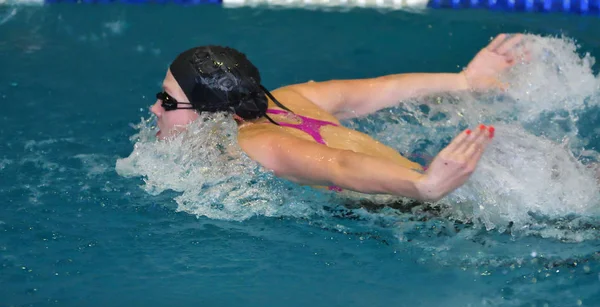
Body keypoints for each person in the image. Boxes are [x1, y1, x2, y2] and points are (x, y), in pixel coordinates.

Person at [150, 34, 526, 202]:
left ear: (210, 113)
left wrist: (422, 187)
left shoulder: (256, 143)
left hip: (424, 213)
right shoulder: (291, 98)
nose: (155, 109)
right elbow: (382, 88)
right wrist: (464, 81)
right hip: (433, 180)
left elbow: (337, 165)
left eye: (167, 100)